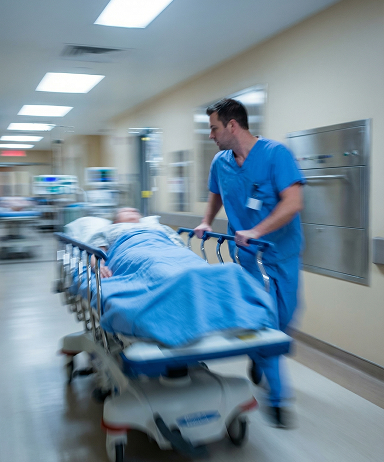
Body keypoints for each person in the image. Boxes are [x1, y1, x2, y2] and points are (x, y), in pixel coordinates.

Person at [194, 98, 305, 428]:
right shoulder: (220, 162)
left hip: (281, 255)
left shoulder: (275, 155)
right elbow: (216, 193)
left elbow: (294, 202)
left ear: (232, 125)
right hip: (247, 261)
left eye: (214, 128)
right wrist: (205, 221)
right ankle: (279, 399)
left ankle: (258, 355)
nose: (210, 135)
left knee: (286, 317)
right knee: (266, 322)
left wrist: (256, 229)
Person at [88, 208, 185, 278]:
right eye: (125, 211)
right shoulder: (109, 229)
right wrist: (98, 266)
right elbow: (97, 251)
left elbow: (178, 246)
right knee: (158, 267)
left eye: (135, 211)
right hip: (133, 250)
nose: (132, 212)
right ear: (115, 221)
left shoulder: (158, 227)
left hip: (165, 248)